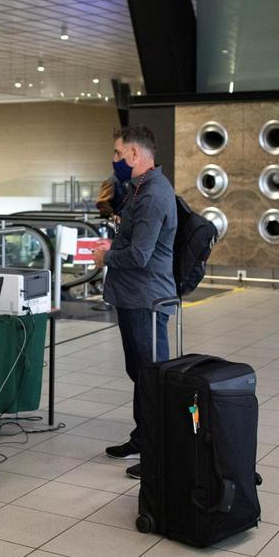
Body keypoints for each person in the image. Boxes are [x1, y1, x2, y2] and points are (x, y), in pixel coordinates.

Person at [92, 125, 177, 481]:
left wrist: (106, 257)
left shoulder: (154, 194)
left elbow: (141, 255)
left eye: (117, 153)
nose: (114, 160)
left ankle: (161, 452)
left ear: (134, 155)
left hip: (147, 299)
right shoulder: (140, 189)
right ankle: (143, 438)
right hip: (133, 296)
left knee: (153, 377)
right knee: (140, 374)